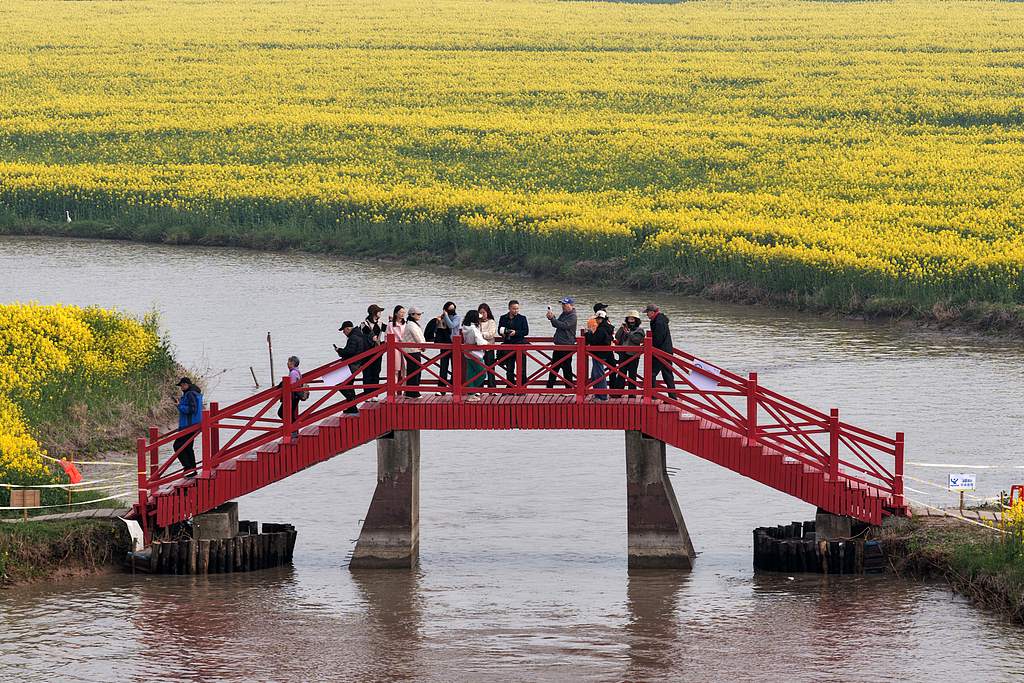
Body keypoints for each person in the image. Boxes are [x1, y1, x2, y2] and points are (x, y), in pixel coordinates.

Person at [171, 377, 202, 477]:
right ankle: (192, 469)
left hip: (189, 425)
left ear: (186, 385)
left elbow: (191, 409)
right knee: (188, 447)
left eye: (181, 386)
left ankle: (188, 467)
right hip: (193, 425)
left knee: (177, 445)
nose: (181, 388)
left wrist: (179, 406)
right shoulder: (195, 393)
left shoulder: (190, 394)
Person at [645, 304, 677, 399]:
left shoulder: (658, 322)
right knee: (667, 374)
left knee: (650, 372)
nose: (647, 314)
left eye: (647, 312)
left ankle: (652, 394)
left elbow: (658, 339)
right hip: (667, 350)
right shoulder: (661, 320)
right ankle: (672, 396)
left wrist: (649, 347)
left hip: (660, 352)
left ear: (652, 312)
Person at [545, 297, 578, 389]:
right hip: (559, 344)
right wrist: (552, 318)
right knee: (554, 367)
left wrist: (553, 318)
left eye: (565, 305)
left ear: (571, 305)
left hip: (567, 345)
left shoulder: (572, 316)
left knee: (566, 367)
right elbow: (556, 324)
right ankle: (549, 387)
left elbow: (563, 325)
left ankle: (569, 388)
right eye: (562, 304)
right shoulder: (564, 314)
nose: (563, 306)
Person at [426, 302, 459, 391]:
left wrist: (446, 316)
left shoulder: (456, 318)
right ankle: (442, 388)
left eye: (453, 309)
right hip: (444, 344)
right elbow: (437, 331)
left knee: (454, 367)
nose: (452, 311)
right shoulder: (441, 318)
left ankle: (454, 388)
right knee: (443, 366)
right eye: (450, 309)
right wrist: (438, 322)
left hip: (454, 345)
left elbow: (451, 325)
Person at [335, 321, 366, 414]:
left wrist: (339, 350)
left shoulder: (353, 337)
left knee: (338, 383)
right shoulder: (359, 335)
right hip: (356, 364)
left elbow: (350, 351)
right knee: (349, 385)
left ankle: (351, 400)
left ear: (348, 328)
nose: (343, 332)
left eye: (343, 330)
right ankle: (352, 405)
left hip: (351, 365)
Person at [497, 299, 529, 387]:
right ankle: (510, 387)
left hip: (520, 344)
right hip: (508, 345)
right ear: (509, 308)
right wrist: (503, 333)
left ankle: (522, 387)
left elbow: (526, 331)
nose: (516, 311)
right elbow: (499, 330)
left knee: (522, 369)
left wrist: (515, 332)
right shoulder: (503, 318)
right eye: (514, 309)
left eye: (517, 309)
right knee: (509, 368)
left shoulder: (522, 318)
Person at [584, 309, 614, 401]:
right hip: (605, 353)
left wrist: (587, 334)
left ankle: (602, 396)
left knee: (599, 374)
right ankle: (598, 394)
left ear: (601, 319)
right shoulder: (608, 328)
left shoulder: (601, 329)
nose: (596, 320)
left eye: (597, 319)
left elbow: (594, 341)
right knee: (596, 374)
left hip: (599, 354)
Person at [612, 310, 645, 391]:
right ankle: (619, 391)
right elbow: (617, 336)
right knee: (621, 373)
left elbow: (637, 340)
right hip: (623, 353)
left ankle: (632, 392)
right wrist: (622, 328)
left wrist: (629, 333)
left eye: (632, 319)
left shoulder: (640, 330)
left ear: (636, 321)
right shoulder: (625, 328)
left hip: (633, 354)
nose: (630, 321)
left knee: (632, 374)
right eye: (629, 319)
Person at [460, 309, 487, 401]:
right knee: (483, 373)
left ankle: (470, 393)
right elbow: (480, 342)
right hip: (476, 354)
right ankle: (471, 391)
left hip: (467, 353)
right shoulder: (474, 329)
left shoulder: (465, 328)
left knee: (470, 374)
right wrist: (486, 342)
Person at [360, 305, 385, 399]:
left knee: (376, 373)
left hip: (377, 352)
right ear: (373, 313)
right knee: (367, 373)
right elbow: (362, 337)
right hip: (367, 353)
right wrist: (370, 338)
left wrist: (392, 321)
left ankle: (375, 394)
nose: (380, 313)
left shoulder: (380, 323)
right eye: (379, 311)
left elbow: (389, 329)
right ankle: (367, 394)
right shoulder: (364, 325)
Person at [402, 307, 426, 398]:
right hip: (412, 351)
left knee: (414, 370)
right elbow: (418, 337)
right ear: (412, 315)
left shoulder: (412, 324)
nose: (419, 316)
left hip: (413, 350)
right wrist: (423, 346)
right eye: (417, 314)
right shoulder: (411, 325)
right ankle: (413, 392)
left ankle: (411, 392)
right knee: (414, 371)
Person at [276, 356, 303, 434]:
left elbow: (291, 386)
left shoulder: (293, 373)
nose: (287, 363)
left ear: (293, 364)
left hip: (293, 397)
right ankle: (294, 429)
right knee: (289, 415)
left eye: (288, 362)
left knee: (282, 413)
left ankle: (294, 428)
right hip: (295, 397)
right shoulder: (296, 371)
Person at [385, 305, 407, 392]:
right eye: (400, 312)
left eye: (403, 312)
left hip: (405, 347)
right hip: (395, 348)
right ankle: (394, 390)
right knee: (395, 369)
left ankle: (405, 389)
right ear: (396, 313)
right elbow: (386, 337)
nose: (402, 314)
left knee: (405, 369)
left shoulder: (406, 324)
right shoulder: (391, 325)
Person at [477, 303, 498, 388]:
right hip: (479, 348)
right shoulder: (477, 323)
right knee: (480, 369)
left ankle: (492, 387)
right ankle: (479, 387)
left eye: (483, 313)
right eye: (480, 313)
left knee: (490, 368)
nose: (482, 315)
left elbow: (491, 334)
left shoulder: (491, 322)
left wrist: (481, 334)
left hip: (489, 348)